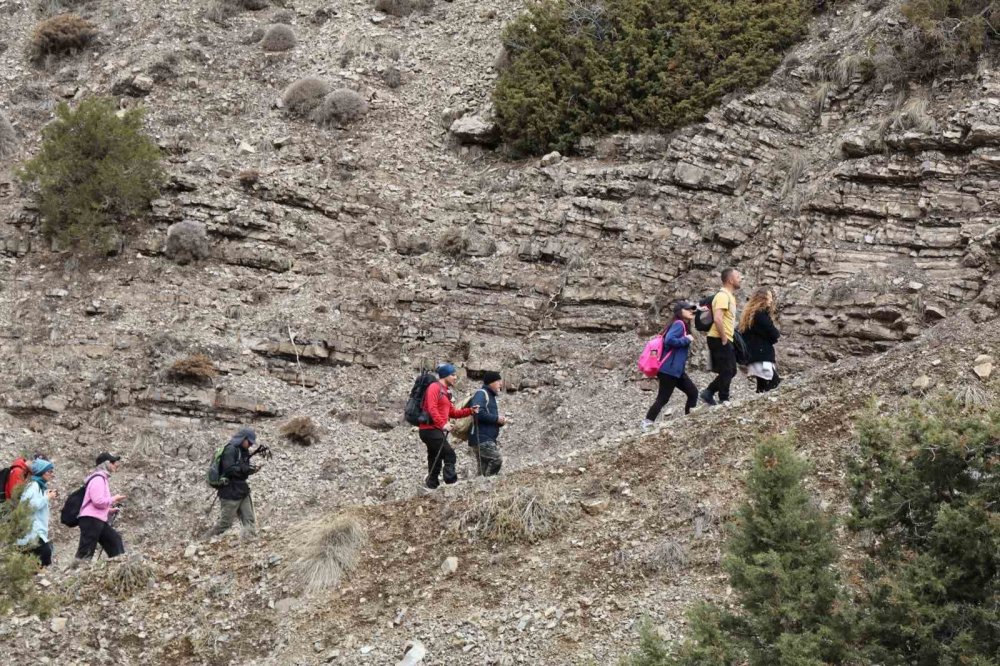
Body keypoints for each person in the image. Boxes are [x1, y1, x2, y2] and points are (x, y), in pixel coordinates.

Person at [419, 363, 479, 489]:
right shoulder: (434, 387)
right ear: (445, 375)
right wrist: (443, 424)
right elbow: (432, 408)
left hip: (435, 430)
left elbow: (452, 412)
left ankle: (432, 484)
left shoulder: (446, 392)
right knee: (449, 454)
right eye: (452, 375)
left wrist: (470, 411)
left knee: (435, 456)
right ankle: (451, 484)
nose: (455, 378)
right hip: (429, 429)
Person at [642, 302, 699, 430]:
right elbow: (669, 340)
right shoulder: (679, 324)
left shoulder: (682, 324)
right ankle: (647, 423)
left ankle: (688, 421)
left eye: (692, 309)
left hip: (676, 370)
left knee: (693, 392)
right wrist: (687, 339)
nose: (691, 311)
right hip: (669, 370)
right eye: (688, 309)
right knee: (663, 398)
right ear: (680, 311)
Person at [701, 267, 742, 406]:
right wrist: (724, 338)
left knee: (731, 370)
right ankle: (724, 399)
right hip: (718, 337)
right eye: (737, 276)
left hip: (723, 337)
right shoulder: (723, 296)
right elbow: (718, 319)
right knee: (728, 369)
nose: (740, 278)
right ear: (730, 279)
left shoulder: (729, 296)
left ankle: (709, 392)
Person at [75, 453, 127, 562]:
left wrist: (108, 510)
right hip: (91, 520)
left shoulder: (101, 479)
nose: (115, 465)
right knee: (86, 551)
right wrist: (114, 499)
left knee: (114, 540)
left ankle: (119, 565)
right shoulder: (98, 479)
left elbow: (97, 502)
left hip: (96, 519)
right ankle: (76, 572)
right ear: (106, 464)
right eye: (112, 462)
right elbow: (97, 501)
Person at [211, 428, 260, 538]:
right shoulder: (230, 449)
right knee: (224, 524)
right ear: (243, 439)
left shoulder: (244, 452)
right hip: (229, 492)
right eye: (250, 442)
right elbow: (229, 470)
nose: (251, 445)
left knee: (249, 519)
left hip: (242, 490)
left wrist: (250, 470)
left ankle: (249, 542)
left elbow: (242, 472)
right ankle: (201, 542)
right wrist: (245, 469)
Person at [739, 287, 782, 393]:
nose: (771, 301)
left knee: (761, 386)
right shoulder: (760, 314)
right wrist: (773, 336)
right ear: (762, 298)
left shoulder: (750, 315)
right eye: (769, 298)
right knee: (774, 383)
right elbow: (773, 333)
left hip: (755, 355)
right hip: (762, 355)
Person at [17, 458, 56, 567]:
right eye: (49, 471)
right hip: (32, 530)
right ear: (41, 471)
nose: (51, 474)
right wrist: (47, 498)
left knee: (42, 556)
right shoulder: (33, 486)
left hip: (35, 530)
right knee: (45, 554)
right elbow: (30, 505)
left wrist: (45, 495)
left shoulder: (39, 486)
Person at [468, 371, 506, 477]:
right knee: (496, 459)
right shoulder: (481, 393)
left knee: (483, 471)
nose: (500, 384)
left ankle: (481, 488)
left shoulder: (490, 396)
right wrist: (496, 419)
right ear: (491, 382)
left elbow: (486, 417)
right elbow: (477, 412)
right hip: (482, 438)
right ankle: (488, 485)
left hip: (484, 438)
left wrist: (499, 422)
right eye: (498, 381)